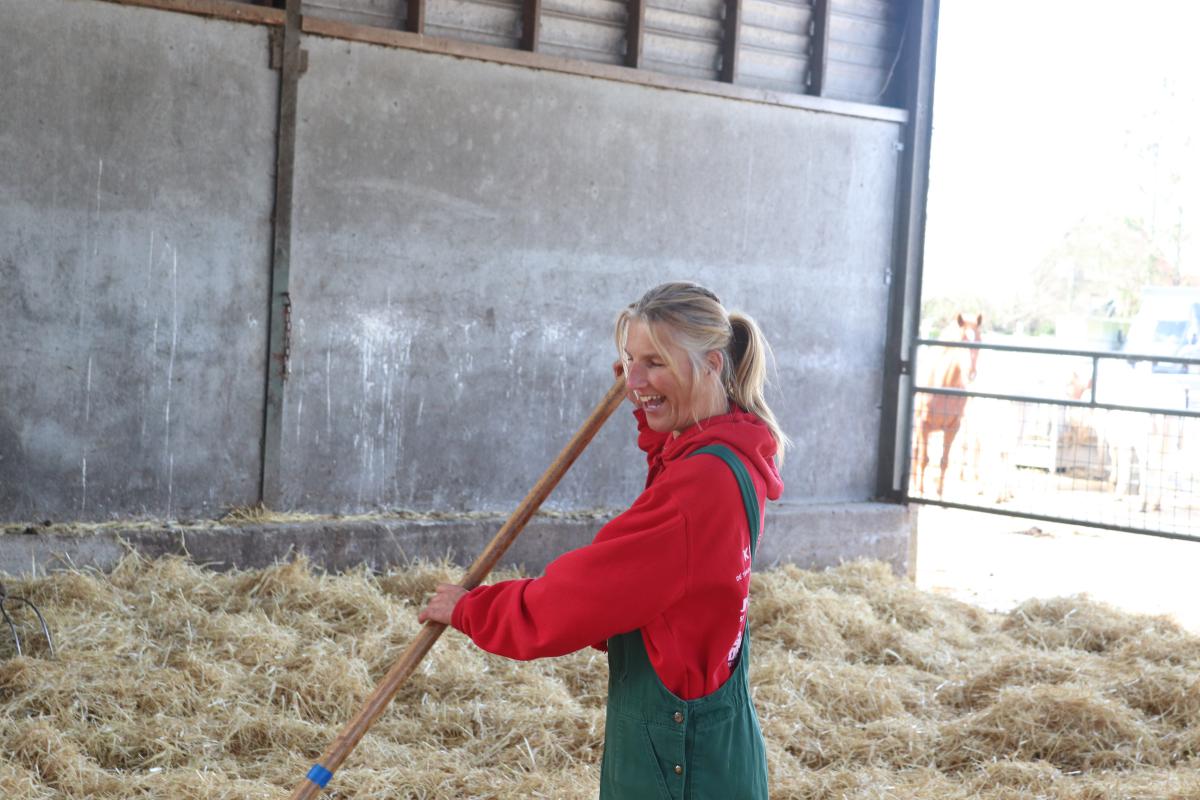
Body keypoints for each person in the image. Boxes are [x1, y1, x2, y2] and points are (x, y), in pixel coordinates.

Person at [419, 281, 787, 798]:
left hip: (676, 765)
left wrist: (471, 609)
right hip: (717, 750)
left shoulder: (696, 489)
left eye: (655, 362)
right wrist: (651, 398)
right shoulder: (733, 450)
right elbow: (672, 464)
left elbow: (571, 603)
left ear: (711, 365)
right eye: (629, 360)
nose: (634, 379)